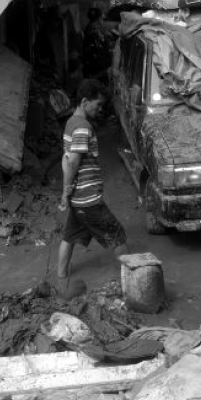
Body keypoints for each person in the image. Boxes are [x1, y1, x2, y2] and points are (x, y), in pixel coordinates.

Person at [57, 80, 130, 284]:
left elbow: (66, 160)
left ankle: (61, 278)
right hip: (88, 199)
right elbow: (72, 163)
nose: (100, 109)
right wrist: (64, 192)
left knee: (69, 237)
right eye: (97, 104)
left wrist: (68, 194)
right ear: (84, 101)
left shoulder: (71, 123)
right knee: (117, 235)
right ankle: (135, 279)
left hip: (78, 199)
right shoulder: (82, 126)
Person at [82, 7, 114, 80]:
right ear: (99, 19)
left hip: (92, 69)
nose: (102, 19)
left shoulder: (89, 28)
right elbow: (101, 50)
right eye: (101, 18)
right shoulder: (94, 32)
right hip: (95, 71)